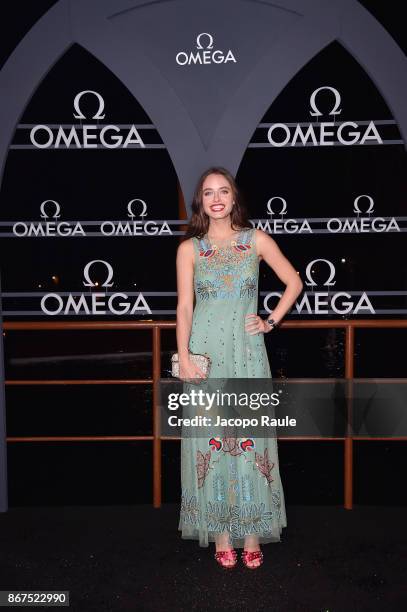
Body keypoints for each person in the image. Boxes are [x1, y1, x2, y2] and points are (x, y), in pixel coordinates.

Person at [175, 167, 303, 569]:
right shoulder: (190, 249)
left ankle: (251, 533)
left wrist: (271, 320)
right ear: (201, 201)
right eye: (208, 192)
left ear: (234, 198)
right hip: (205, 354)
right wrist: (185, 357)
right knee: (210, 440)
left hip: (248, 353)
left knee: (250, 439)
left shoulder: (255, 240)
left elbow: (294, 282)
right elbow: (183, 307)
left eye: (223, 191)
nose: (216, 198)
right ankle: (221, 536)